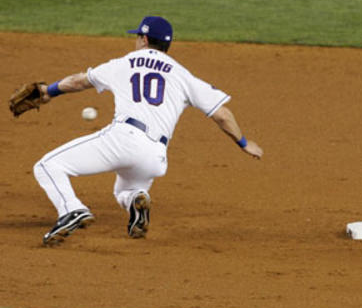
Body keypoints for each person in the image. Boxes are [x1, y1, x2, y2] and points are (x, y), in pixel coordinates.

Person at [33, 15, 263, 246]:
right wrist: (244, 143)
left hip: (123, 139)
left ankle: (72, 210)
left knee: (47, 166)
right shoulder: (182, 74)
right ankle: (136, 199)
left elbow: (78, 81)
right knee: (127, 190)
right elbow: (222, 114)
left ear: (143, 39)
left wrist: (48, 91)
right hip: (156, 155)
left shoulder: (124, 62)